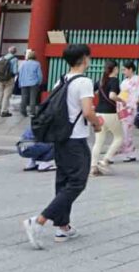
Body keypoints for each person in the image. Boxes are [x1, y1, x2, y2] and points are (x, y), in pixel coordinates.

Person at [23, 44, 102, 249]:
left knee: (63, 180)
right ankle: (39, 220)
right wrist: (97, 123)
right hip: (76, 139)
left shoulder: (62, 79)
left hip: (61, 137)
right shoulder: (84, 82)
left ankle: (62, 226)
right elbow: (87, 111)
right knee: (77, 182)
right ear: (84, 58)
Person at [90, 60, 123, 175]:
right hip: (110, 113)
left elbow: (90, 91)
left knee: (98, 141)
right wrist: (121, 100)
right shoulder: (114, 80)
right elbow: (112, 96)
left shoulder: (101, 80)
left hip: (98, 114)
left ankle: (93, 166)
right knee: (119, 137)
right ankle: (105, 160)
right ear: (115, 69)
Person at [116, 61, 139, 163]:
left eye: (125, 69)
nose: (123, 72)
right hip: (123, 108)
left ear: (131, 69)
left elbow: (137, 96)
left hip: (131, 108)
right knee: (124, 131)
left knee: (127, 131)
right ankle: (129, 153)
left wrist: (130, 105)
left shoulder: (137, 81)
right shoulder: (125, 82)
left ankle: (128, 153)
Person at [0, 46, 19, 117]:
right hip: (9, 79)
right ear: (15, 52)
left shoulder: (2, 58)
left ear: (8, 51)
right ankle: (4, 111)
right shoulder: (14, 59)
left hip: (0, 79)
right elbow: (15, 71)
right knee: (6, 96)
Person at [18, 50, 43, 118]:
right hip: (34, 83)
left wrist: (20, 83)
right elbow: (39, 75)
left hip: (24, 82)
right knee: (33, 98)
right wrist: (39, 82)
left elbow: (20, 73)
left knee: (24, 97)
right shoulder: (37, 64)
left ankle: (23, 111)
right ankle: (32, 112)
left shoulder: (23, 63)